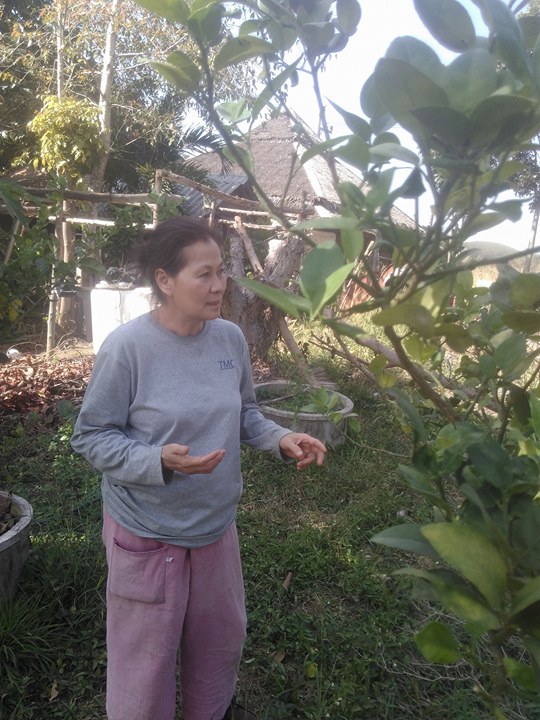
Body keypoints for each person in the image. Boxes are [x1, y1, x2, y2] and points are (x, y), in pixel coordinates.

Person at [71, 216, 327, 720]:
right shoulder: (127, 348)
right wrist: (155, 460)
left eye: (222, 271)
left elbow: (245, 411)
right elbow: (91, 435)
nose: (219, 285)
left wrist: (281, 438)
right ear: (165, 280)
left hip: (214, 526)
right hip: (147, 531)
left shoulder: (229, 339)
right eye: (203, 274)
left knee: (218, 644)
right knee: (145, 665)